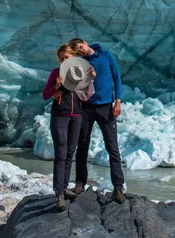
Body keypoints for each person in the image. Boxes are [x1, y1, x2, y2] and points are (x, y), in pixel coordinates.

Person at [67, 38, 125, 204]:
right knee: (82, 145)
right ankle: (79, 183)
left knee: (112, 146)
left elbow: (116, 78)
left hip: (106, 107)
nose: (81, 52)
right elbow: (76, 85)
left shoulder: (106, 56)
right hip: (86, 108)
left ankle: (118, 187)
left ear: (85, 43)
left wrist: (118, 100)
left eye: (80, 48)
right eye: (77, 52)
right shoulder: (80, 63)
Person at [42, 44, 95, 211]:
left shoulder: (79, 74)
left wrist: (91, 78)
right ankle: (59, 193)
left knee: (69, 153)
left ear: (74, 58)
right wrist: (55, 88)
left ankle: (64, 189)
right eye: (62, 58)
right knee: (61, 153)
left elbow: (86, 96)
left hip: (76, 116)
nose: (64, 60)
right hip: (60, 116)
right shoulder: (55, 73)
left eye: (67, 57)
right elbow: (45, 94)